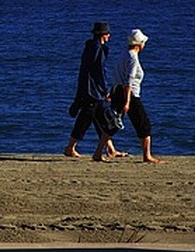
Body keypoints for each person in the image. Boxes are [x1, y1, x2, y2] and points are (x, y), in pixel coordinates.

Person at [63, 21, 125, 160]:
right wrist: (105, 90)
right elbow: (99, 72)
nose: (109, 36)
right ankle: (70, 147)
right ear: (104, 35)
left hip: (88, 89)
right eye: (107, 33)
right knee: (87, 119)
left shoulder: (90, 47)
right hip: (94, 91)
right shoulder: (98, 49)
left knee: (100, 118)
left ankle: (110, 149)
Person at [111, 29, 163, 163]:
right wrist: (128, 101)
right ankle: (147, 155)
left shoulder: (123, 55)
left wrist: (112, 92)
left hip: (117, 91)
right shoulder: (133, 58)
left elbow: (117, 74)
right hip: (131, 94)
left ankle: (99, 151)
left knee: (113, 123)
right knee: (144, 125)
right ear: (139, 44)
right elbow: (129, 80)